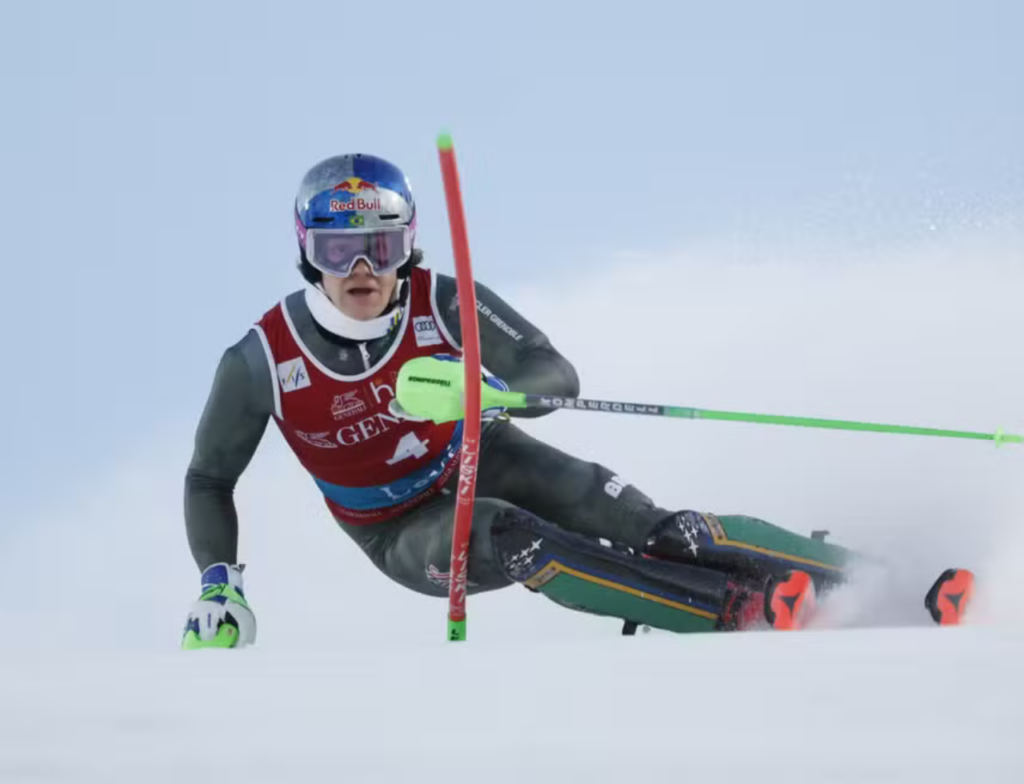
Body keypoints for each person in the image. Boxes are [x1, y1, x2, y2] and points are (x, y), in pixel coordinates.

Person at [180, 154, 958, 650]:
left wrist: (492, 393)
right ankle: (730, 611)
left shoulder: (442, 302)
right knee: (516, 538)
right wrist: (220, 583)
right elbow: (209, 479)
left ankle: (880, 579)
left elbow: (554, 372)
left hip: (485, 452)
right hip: (397, 526)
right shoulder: (261, 360)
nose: (361, 270)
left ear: (406, 246)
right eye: (337, 249)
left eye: (380, 247)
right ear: (307, 252)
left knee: (663, 529)